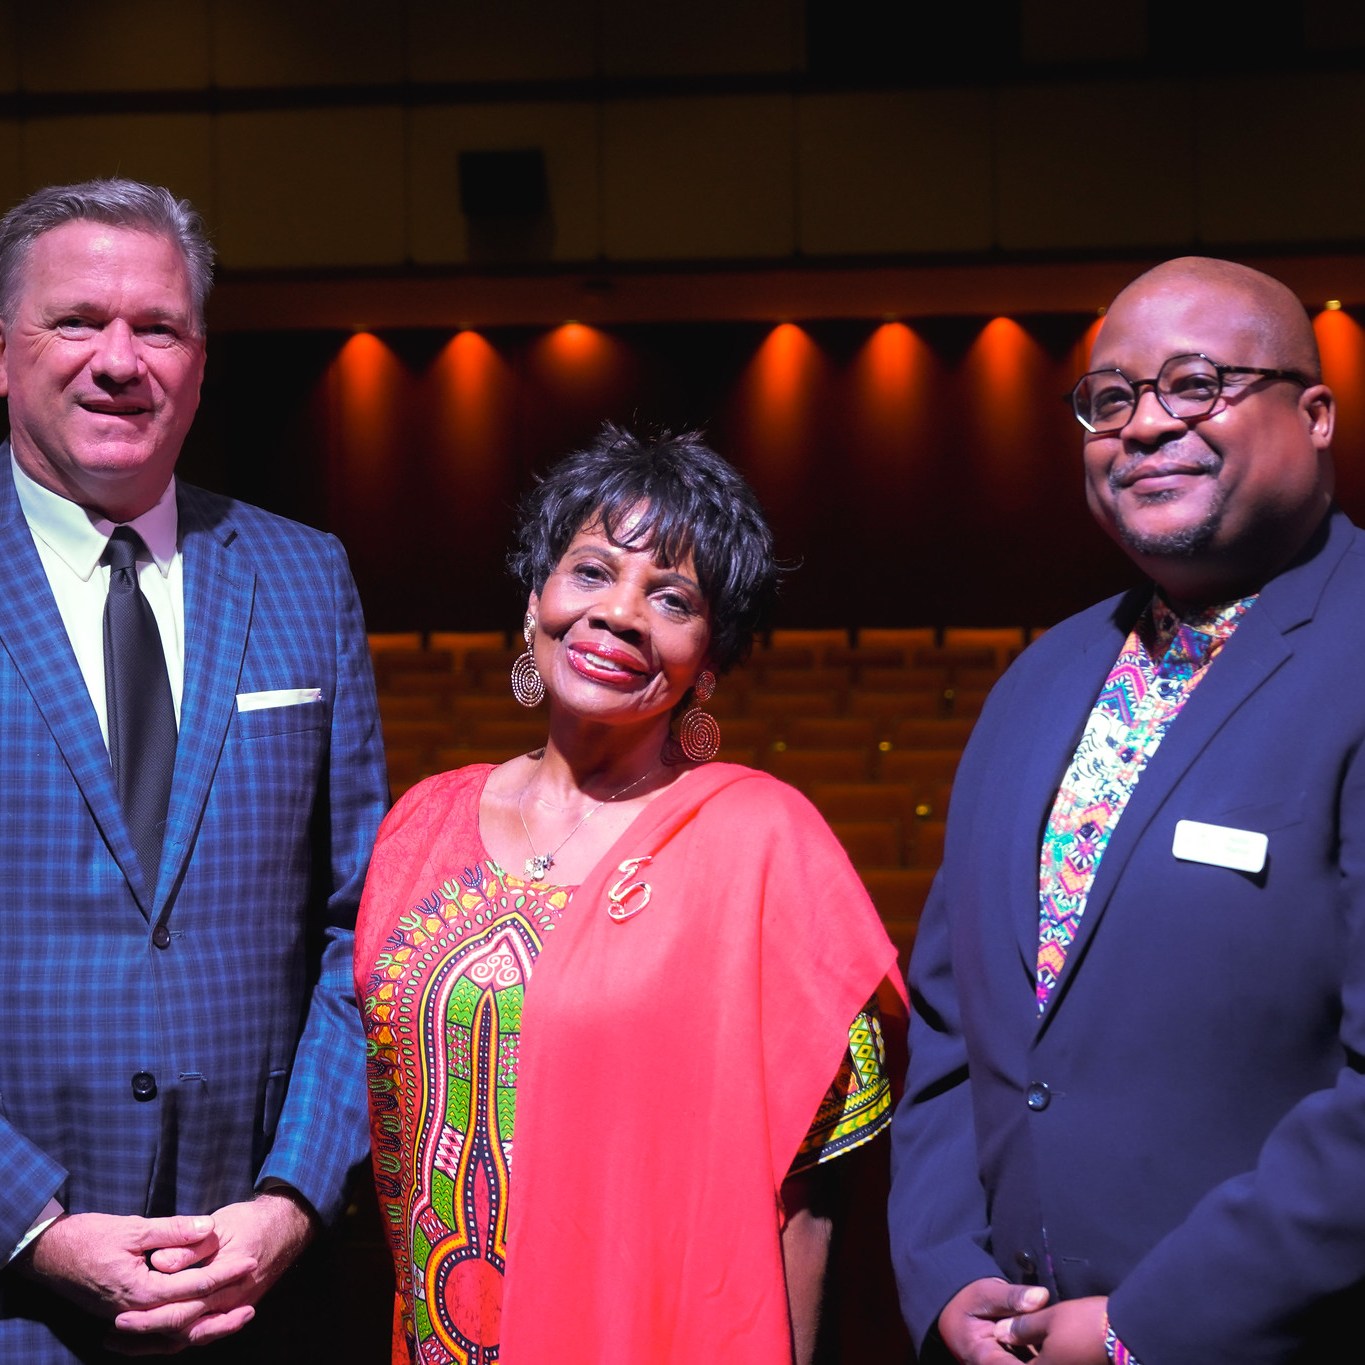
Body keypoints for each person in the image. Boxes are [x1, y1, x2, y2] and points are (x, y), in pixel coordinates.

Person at [887, 255, 1365, 1364]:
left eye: (1195, 384)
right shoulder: (1038, 681)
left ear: (1317, 413)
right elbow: (957, 1035)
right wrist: (946, 1268)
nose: (1144, 426)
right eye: (1110, 399)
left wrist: (1152, 1328)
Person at [355, 423, 906, 1364]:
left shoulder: (761, 844)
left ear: (711, 658)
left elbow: (810, 1196)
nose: (619, 614)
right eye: (591, 572)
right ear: (533, 601)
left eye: (672, 597)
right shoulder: (421, 825)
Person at [0, 178, 388, 1360]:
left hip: (257, 1299)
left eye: (157, 328)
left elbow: (361, 927)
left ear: (201, 364)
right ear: (4, 354)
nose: (120, 359)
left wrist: (292, 1200)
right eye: (77, 321)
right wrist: (35, 1227)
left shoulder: (304, 576)